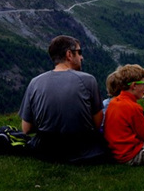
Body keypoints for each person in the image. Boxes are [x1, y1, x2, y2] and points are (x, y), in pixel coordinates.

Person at [19, 35, 110, 164]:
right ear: (69, 54)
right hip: (84, 150)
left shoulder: (35, 82)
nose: (81, 57)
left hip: (45, 151)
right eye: (79, 52)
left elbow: (26, 128)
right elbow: (97, 123)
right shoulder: (88, 80)